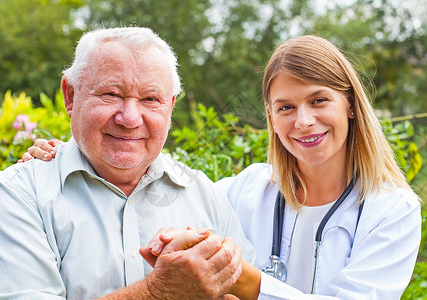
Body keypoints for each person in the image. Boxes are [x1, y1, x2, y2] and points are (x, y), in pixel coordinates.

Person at [26, 35, 422, 299]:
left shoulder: (391, 210)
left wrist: (246, 280)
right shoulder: (243, 190)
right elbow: (149, 186)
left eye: (319, 101)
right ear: (269, 116)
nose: (302, 121)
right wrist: (76, 156)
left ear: (350, 104)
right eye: (285, 107)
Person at [0, 27, 258, 300]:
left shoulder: (205, 196)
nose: (130, 118)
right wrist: (159, 293)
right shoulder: (21, 196)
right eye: (111, 94)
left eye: (150, 99)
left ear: (170, 106)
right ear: (71, 96)